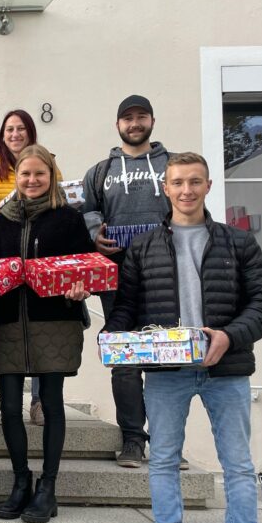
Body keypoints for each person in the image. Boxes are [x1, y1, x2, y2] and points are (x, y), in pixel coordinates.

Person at [103, 152, 262, 523]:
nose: (186, 190)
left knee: (237, 465)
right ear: (165, 188)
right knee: (162, 460)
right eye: (178, 182)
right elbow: (127, 305)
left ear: (207, 186)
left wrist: (229, 336)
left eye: (194, 182)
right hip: (166, 370)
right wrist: (115, 336)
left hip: (227, 369)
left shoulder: (237, 242)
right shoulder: (142, 246)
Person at [0, 145, 92, 523]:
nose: (33, 180)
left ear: (51, 175)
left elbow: (86, 268)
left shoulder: (68, 220)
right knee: (9, 407)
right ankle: (21, 480)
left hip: (55, 322)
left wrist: (80, 288)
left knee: (51, 405)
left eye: (40, 173)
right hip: (10, 323)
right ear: (16, 177)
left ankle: (48, 487)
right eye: (26, 174)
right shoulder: (0, 222)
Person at [81, 95, 172, 468]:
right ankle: (132, 439)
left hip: (165, 274)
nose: (134, 124)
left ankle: (168, 441)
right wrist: (92, 232)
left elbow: (190, 205)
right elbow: (85, 209)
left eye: (141, 117)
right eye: (127, 118)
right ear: (117, 124)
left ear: (152, 120)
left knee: (167, 357)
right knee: (125, 358)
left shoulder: (172, 165)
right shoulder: (100, 171)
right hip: (115, 276)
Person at [0, 110, 50, 426]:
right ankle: (10, 402)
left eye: (21, 128)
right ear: (2, 135)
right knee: (9, 334)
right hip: (4, 268)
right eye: (9, 129)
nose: (15, 134)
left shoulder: (48, 167)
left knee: (44, 333)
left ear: (31, 133)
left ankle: (39, 403)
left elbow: (59, 206)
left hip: (40, 263)